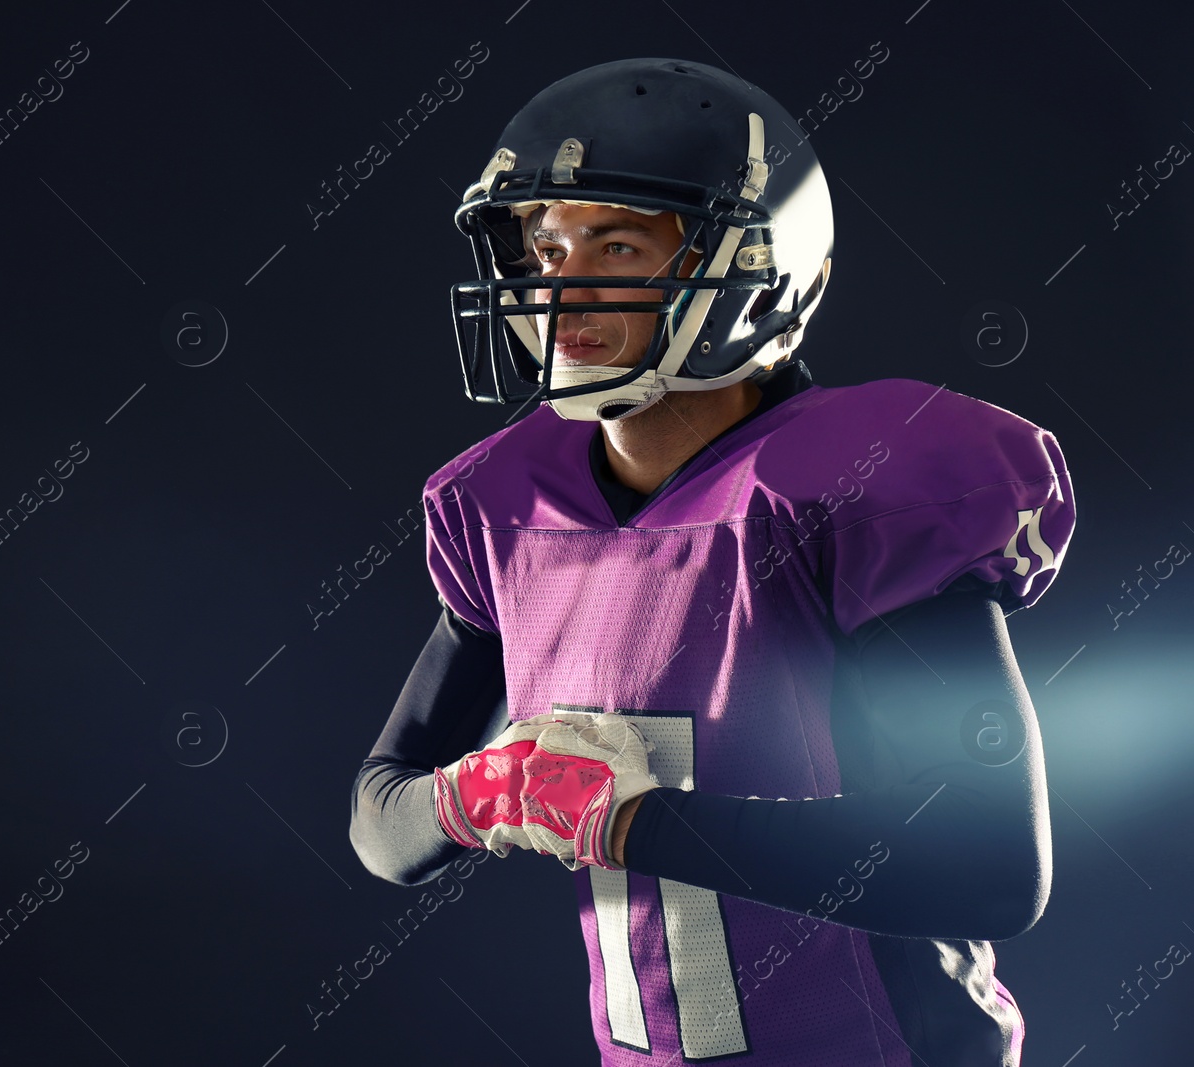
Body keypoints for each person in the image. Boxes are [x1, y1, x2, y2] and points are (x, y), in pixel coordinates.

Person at [349, 58, 1075, 1066]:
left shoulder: (854, 485)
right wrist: (478, 795)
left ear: (762, 269)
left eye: (614, 244)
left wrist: (634, 819)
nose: (561, 283)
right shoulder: (504, 504)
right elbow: (382, 817)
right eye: (544, 245)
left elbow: (991, 866)